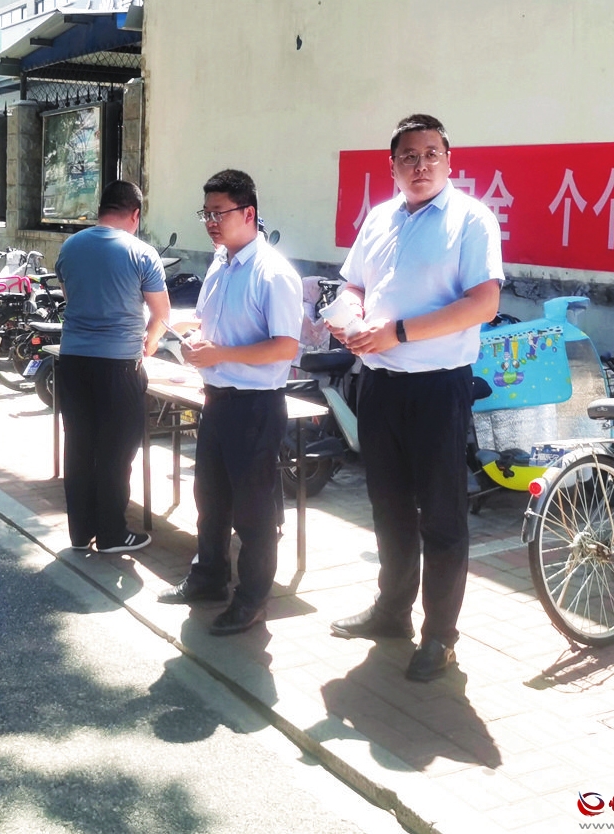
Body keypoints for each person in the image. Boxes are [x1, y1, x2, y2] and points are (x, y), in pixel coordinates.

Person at [327, 114, 504, 682]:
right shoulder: (380, 218)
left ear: (449, 161)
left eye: (431, 154)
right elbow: (355, 281)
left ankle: (440, 637)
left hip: (438, 387)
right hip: (380, 384)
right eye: (409, 155)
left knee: (442, 515)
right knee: (389, 507)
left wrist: (398, 332)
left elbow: (483, 304)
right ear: (393, 165)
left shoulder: (471, 219)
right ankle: (391, 612)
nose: (420, 165)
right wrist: (350, 313)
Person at [156, 169, 303, 636]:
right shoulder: (221, 263)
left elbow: (285, 347)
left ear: (249, 213)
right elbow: (208, 323)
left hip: (256, 407)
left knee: (254, 512)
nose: (211, 223)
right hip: (217, 399)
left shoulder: (273, 273)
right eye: (206, 214)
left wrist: (221, 354)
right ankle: (208, 578)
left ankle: (252, 600)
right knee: (210, 498)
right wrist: (191, 340)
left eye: (219, 213)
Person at [55, 180, 169, 553]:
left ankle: (80, 533)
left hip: (73, 362)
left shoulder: (70, 247)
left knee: (79, 445)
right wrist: (148, 345)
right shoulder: (142, 253)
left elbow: (70, 297)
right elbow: (161, 314)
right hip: (119, 366)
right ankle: (111, 534)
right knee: (116, 451)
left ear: (101, 209)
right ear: (135, 214)